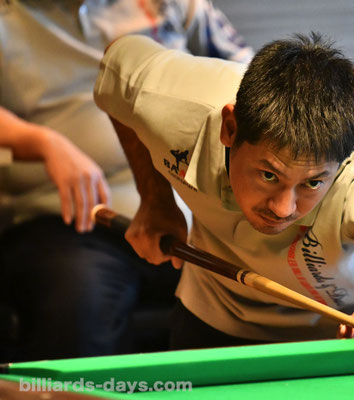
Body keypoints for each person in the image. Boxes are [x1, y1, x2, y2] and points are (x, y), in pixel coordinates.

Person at [94, 32, 354, 348]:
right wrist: (155, 200)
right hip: (217, 309)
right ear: (230, 129)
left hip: (344, 330)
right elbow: (117, 61)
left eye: (312, 183)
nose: (283, 208)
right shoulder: (174, 102)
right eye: (269, 175)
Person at [0, 0, 253, 361]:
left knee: (260, 291)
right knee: (78, 302)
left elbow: (255, 84)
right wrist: (40, 141)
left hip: (197, 215)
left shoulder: (172, 4)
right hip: (68, 223)